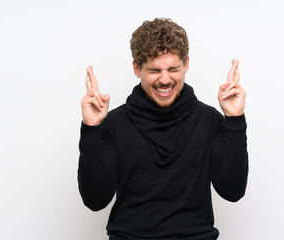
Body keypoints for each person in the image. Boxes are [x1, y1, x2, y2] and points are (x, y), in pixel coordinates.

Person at [78, 18, 248, 240]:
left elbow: (232, 191)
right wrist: (91, 128)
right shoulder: (114, 124)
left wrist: (234, 119)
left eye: (173, 68)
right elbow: (95, 200)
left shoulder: (209, 121)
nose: (165, 80)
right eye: (154, 70)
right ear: (137, 69)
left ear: (186, 64)